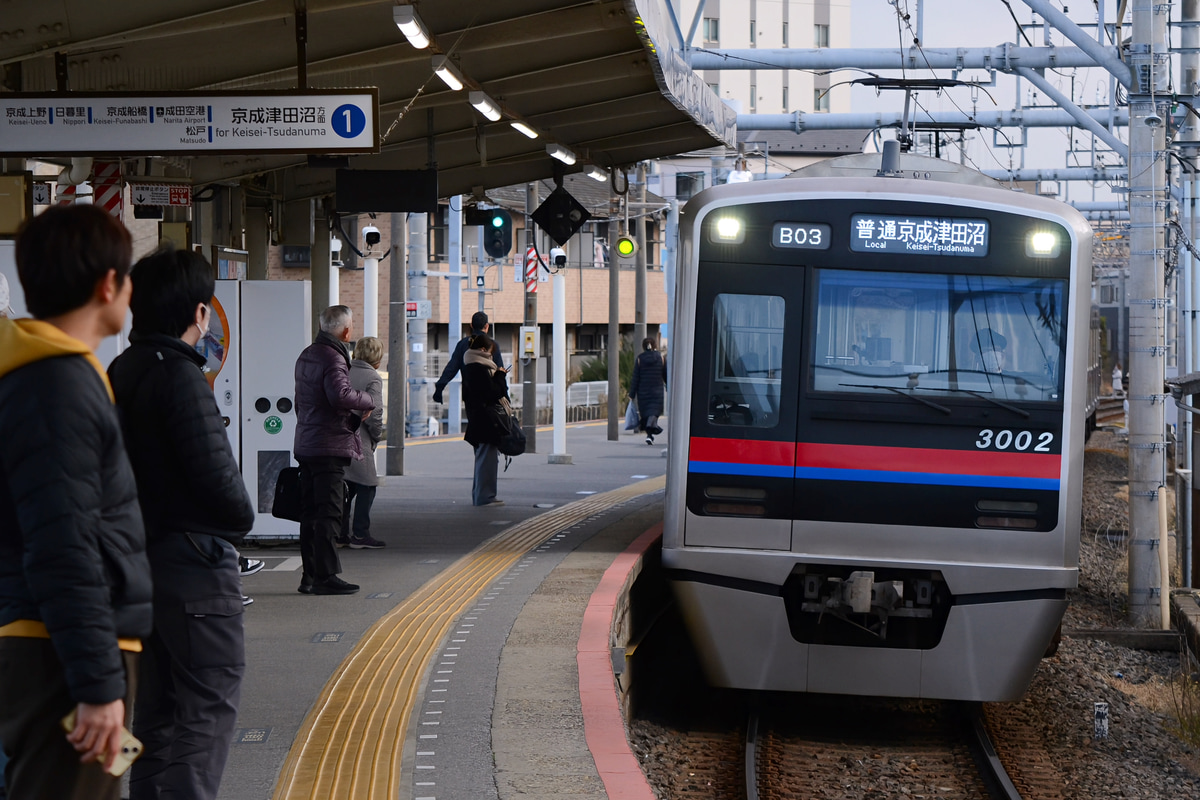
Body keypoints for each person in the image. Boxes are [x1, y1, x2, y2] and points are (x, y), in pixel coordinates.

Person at [0, 204, 152, 799]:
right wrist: (96, 684)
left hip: (63, 643)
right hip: (60, 655)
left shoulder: (58, 375)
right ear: (108, 284)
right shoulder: (54, 387)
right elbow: (63, 542)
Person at [107, 247, 255, 800]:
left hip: (142, 561)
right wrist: (241, 518)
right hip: (195, 563)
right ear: (199, 313)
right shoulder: (184, 377)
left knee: (158, 709)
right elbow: (221, 485)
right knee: (209, 703)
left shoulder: (122, 368)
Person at [293, 305, 375, 595]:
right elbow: (340, 394)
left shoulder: (308, 354)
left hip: (307, 442)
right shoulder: (333, 356)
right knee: (329, 512)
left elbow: (301, 402)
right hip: (327, 446)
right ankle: (325, 576)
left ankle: (309, 576)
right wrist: (365, 400)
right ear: (345, 330)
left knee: (310, 513)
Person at [341, 336, 386, 549]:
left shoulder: (344, 371)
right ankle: (360, 533)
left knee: (345, 486)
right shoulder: (372, 378)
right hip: (360, 438)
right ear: (377, 357)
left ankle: (340, 534)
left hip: (339, 435)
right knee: (367, 485)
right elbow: (375, 413)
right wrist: (376, 435)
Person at [461, 335, 510, 506]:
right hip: (485, 421)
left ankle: (481, 495)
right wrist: (500, 376)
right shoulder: (478, 368)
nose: (491, 356)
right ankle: (485, 497)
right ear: (483, 350)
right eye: (490, 352)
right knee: (487, 460)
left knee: (483, 459)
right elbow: (494, 392)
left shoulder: (469, 366)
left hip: (478, 419)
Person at [432, 310, 505, 405]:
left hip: (470, 396)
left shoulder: (462, 345)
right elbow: (500, 370)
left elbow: (451, 369)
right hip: (490, 397)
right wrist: (505, 394)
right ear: (487, 326)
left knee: (474, 420)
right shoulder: (493, 345)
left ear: (471, 325)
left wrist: (440, 387)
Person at [629, 336, 668, 445]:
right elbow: (665, 375)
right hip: (657, 391)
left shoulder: (640, 359)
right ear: (655, 345)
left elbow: (635, 378)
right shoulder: (660, 357)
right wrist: (669, 387)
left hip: (643, 392)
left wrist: (632, 394)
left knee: (646, 414)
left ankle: (649, 434)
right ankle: (652, 431)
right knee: (654, 413)